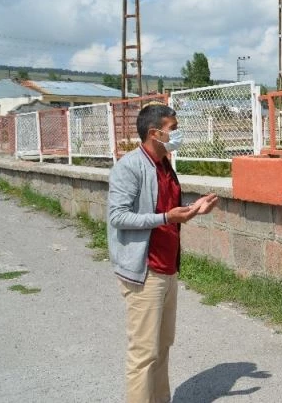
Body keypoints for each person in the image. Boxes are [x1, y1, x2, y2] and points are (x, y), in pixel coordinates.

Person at [107, 103, 218, 403]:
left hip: (167, 269)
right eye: (173, 128)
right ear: (155, 133)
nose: (177, 133)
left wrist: (194, 210)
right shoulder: (129, 167)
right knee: (144, 353)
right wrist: (166, 218)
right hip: (144, 272)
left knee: (163, 346)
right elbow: (118, 216)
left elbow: (169, 212)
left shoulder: (165, 165)